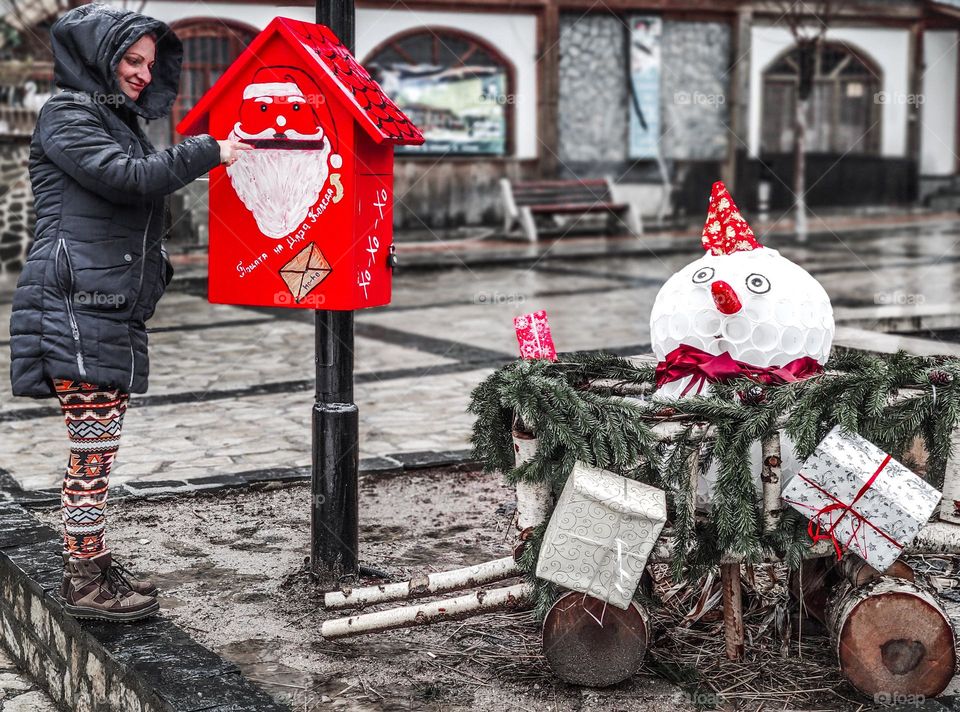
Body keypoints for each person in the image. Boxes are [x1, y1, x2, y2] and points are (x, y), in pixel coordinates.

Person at [8, 4, 251, 622]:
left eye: (149, 62)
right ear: (97, 58)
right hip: (76, 303)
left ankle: (89, 561)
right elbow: (129, 178)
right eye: (130, 60)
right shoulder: (68, 116)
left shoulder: (106, 117)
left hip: (101, 305)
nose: (143, 73)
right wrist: (211, 150)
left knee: (99, 447)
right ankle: (83, 582)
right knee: (91, 451)